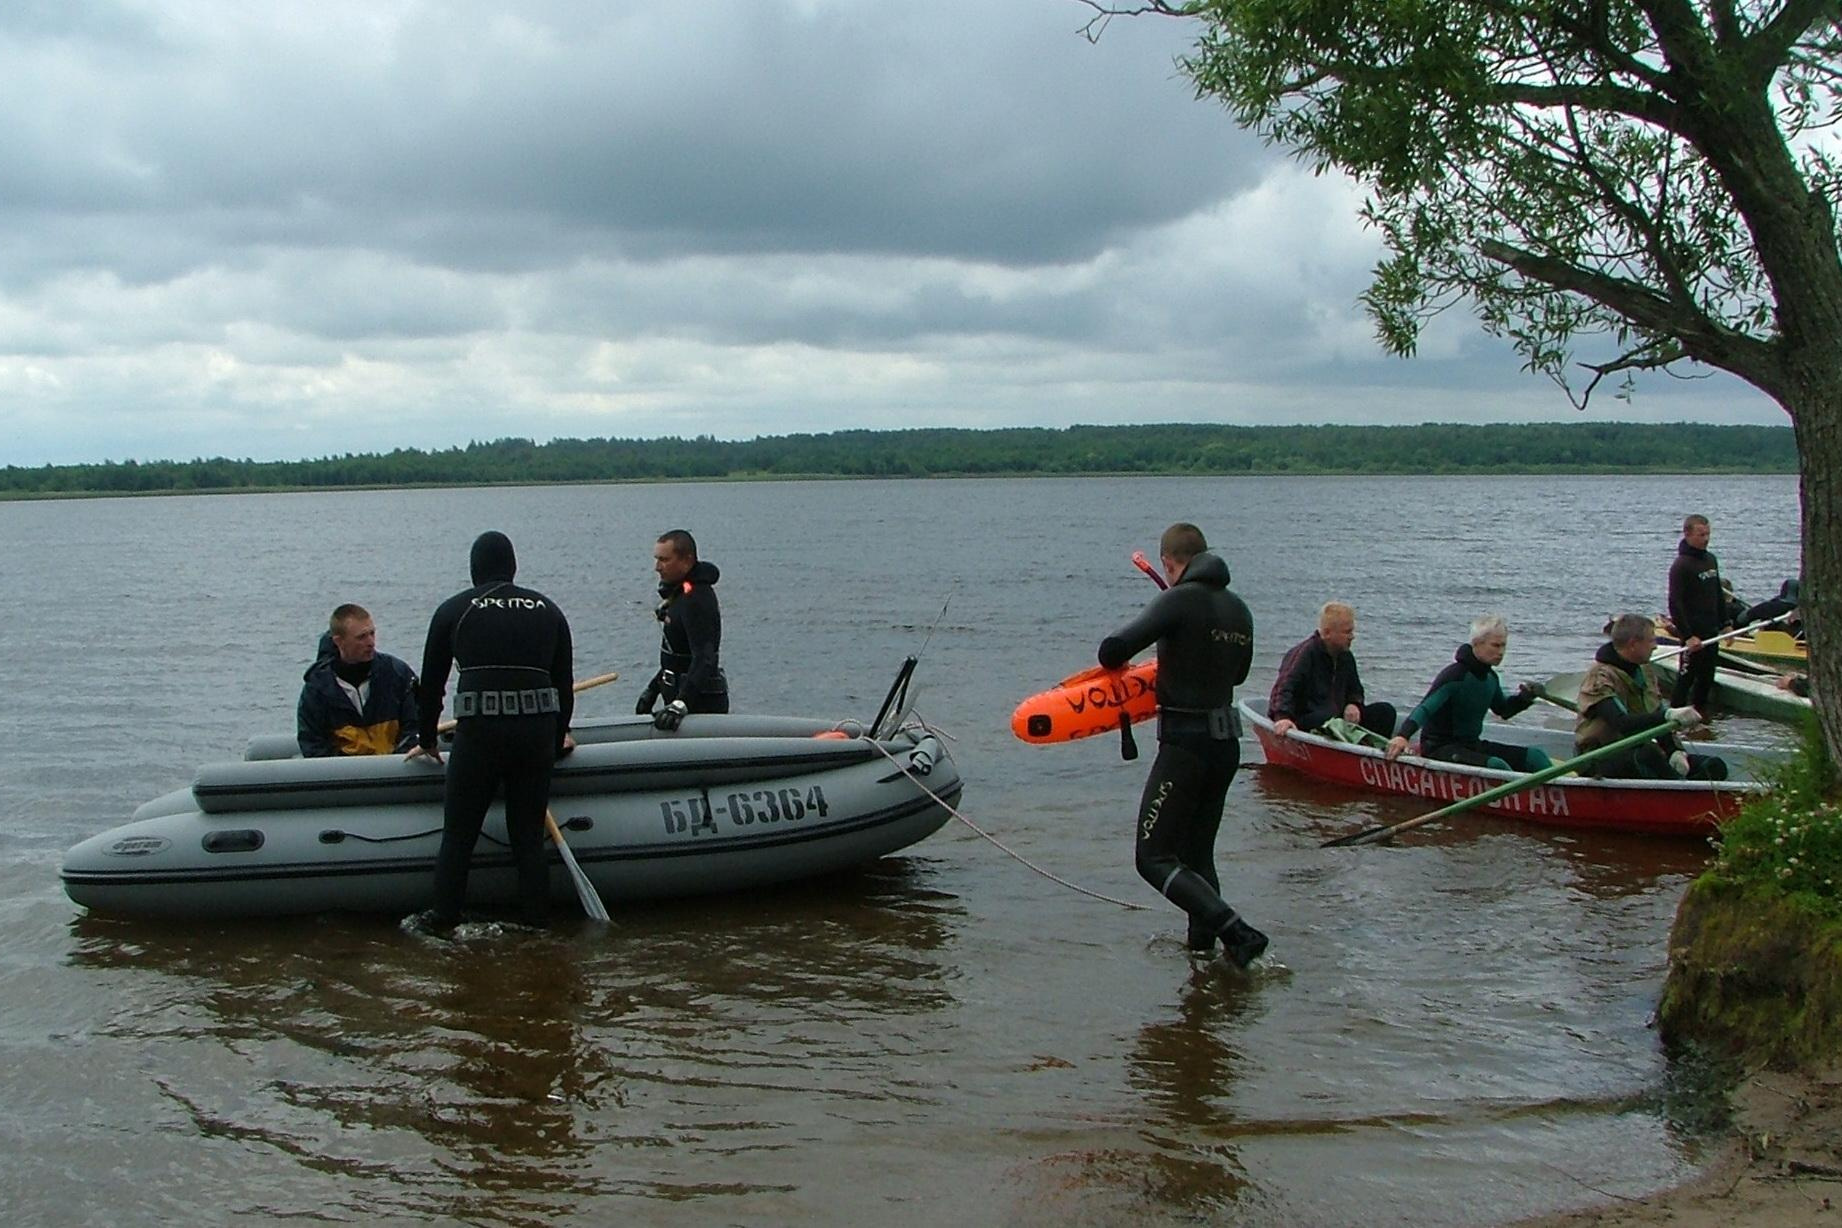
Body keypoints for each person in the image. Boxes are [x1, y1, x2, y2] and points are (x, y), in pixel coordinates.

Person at [1096, 522, 1266, 970]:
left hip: (1185, 746)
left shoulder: (1178, 599)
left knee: (1152, 858)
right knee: (1197, 854)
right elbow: (1239, 675)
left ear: (1169, 563)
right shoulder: (1239, 609)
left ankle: (1237, 933)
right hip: (1226, 744)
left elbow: (1112, 648)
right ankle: (1202, 955)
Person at [407, 531, 575, 930]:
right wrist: (557, 737)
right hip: (534, 739)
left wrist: (428, 738)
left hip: (480, 736)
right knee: (529, 839)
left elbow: (431, 686)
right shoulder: (547, 610)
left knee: (459, 836)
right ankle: (536, 924)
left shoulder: (454, 610)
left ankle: (444, 918)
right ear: (513, 568)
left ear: (473, 570)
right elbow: (563, 685)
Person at [1384, 615, 1551, 772]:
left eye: (1504, 645)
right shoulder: (1455, 676)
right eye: (1495, 645)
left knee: (1536, 757)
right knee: (1496, 765)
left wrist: (1525, 698)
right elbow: (1425, 709)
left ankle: (1561, 794)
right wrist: (1402, 736)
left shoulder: (1490, 677)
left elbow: (1503, 710)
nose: (1501, 652)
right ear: (1477, 644)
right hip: (1440, 748)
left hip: (1471, 745)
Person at [1576, 614, 1727, 780]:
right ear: (1633, 644)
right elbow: (1622, 723)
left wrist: (1674, 750)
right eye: (1651, 641)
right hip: (1600, 756)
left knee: (1714, 766)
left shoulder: (1645, 671)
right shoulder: (1600, 677)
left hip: (1638, 750)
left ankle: (1691, 794)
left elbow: (1654, 710)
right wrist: (1667, 715)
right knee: (1648, 755)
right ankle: (1679, 791)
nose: (1655, 646)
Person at [297, 604, 419, 757]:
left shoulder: (398, 674)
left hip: (396, 767)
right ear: (339, 641)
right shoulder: (317, 690)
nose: (371, 642)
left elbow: (415, 726)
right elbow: (312, 743)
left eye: (372, 634)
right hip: (344, 775)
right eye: (362, 637)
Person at [635, 529, 729, 728]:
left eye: (664, 560)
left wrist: (681, 703)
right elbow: (677, 658)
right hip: (675, 693)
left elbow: (705, 658)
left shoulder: (697, 600)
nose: (657, 567)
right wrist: (653, 688)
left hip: (700, 706)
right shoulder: (679, 596)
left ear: (686, 560)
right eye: (656, 559)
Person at [1268, 601, 1396, 740]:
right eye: (1347, 632)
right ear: (1328, 633)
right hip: (1309, 718)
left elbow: (1355, 690)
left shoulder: (1345, 656)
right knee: (1326, 718)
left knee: (1386, 711)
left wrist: (1354, 704)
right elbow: (1284, 688)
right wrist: (1282, 717)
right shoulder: (1304, 654)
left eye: (1352, 631)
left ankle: (1370, 751)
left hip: (1337, 718)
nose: (1352, 636)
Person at [1667, 513, 1728, 715]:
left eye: (1708, 534)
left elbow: (1717, 593)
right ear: (1687, 534)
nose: (1706, 539)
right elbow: (1675, 603)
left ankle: (1701, 718)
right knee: (1686, 678)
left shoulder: (1711, 560)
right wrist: (1687, 635)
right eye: (1701, 535)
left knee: (1707, 678)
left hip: (1711, 630)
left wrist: (1725, 622)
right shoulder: (1681, 565)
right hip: (1692, 634)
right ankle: (1674, 719)